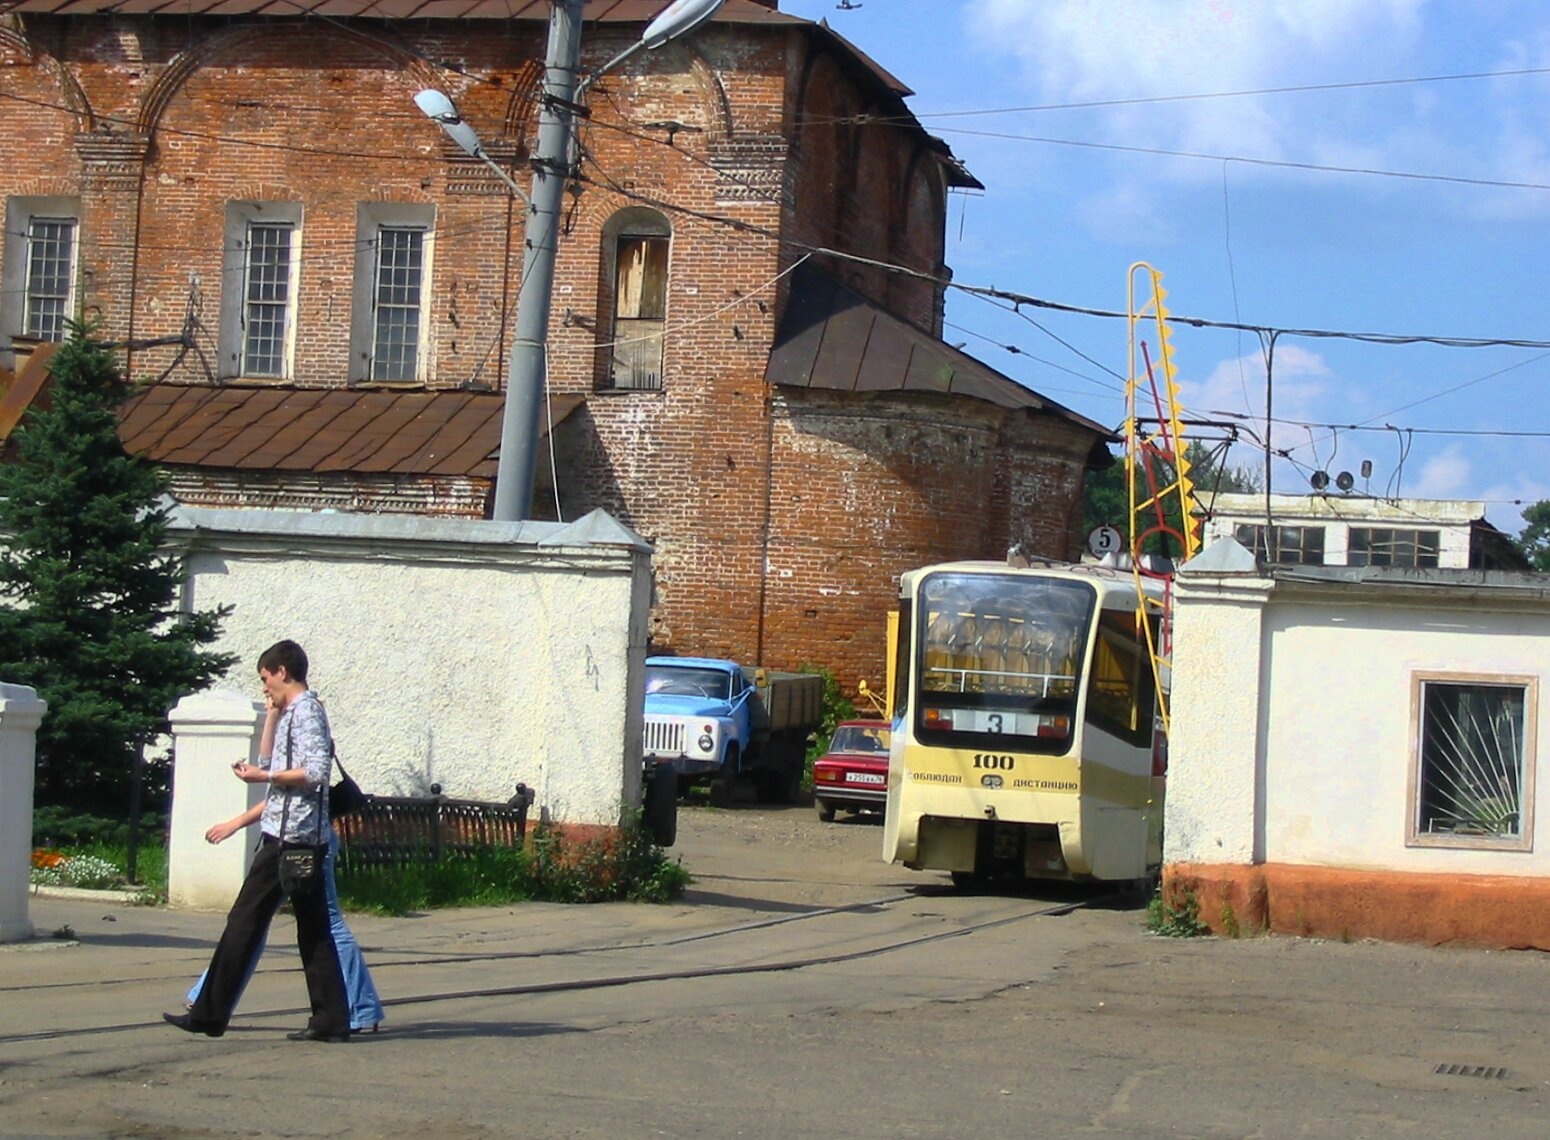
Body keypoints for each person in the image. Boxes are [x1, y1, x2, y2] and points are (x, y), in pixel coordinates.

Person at [164, 639, 354, 1043]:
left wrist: (263, 778)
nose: (264, 687)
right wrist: (270, 718)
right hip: (290, 833)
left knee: (246, 923)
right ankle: (331, 1019)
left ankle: (209, 1015)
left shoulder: (307, 713)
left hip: (294, 836)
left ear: (282, 671)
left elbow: (316, 771)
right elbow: (271, 762)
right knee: (311, 928)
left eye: (266, 679)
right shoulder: (290, 712)